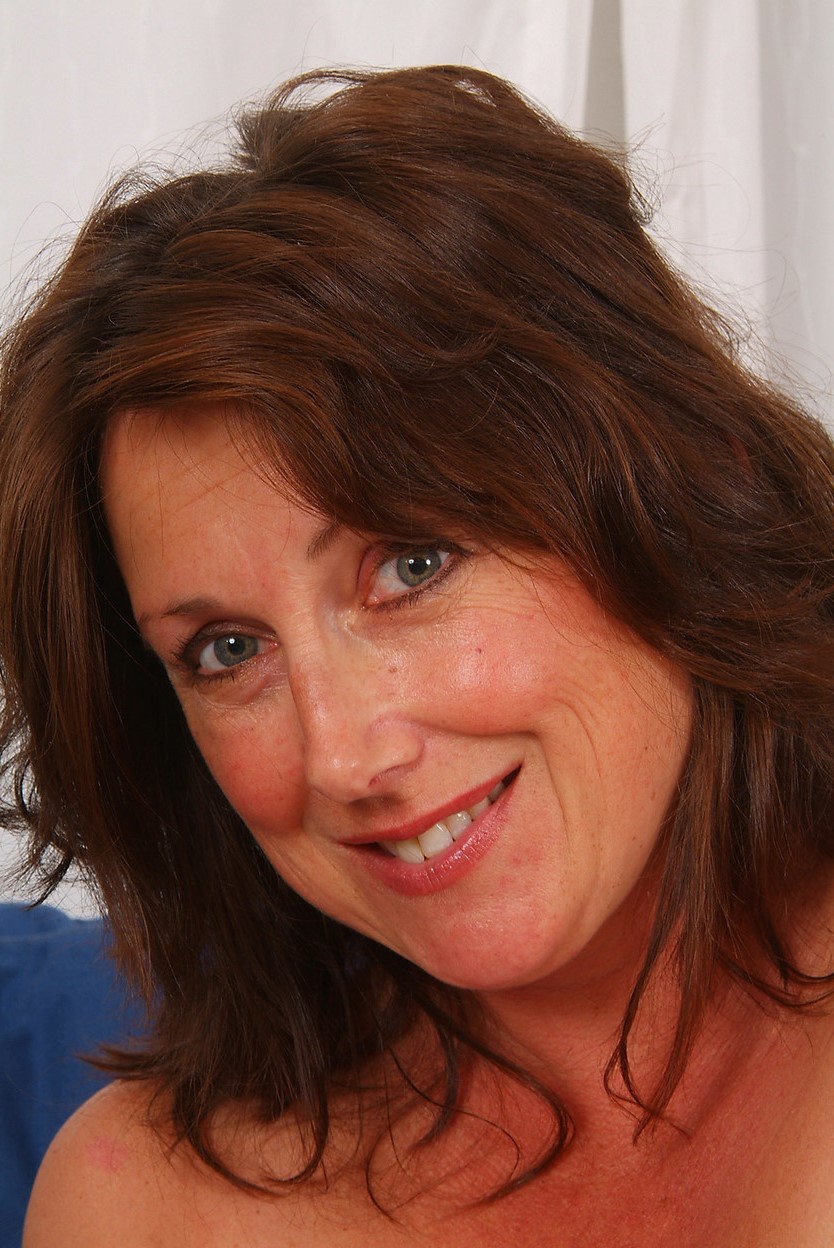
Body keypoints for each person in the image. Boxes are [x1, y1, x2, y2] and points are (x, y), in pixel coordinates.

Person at [1, 64, 833, 1245]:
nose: (343, 756)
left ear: (689, 482)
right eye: (227, 650)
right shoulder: (143, 1205)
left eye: (411, 565)